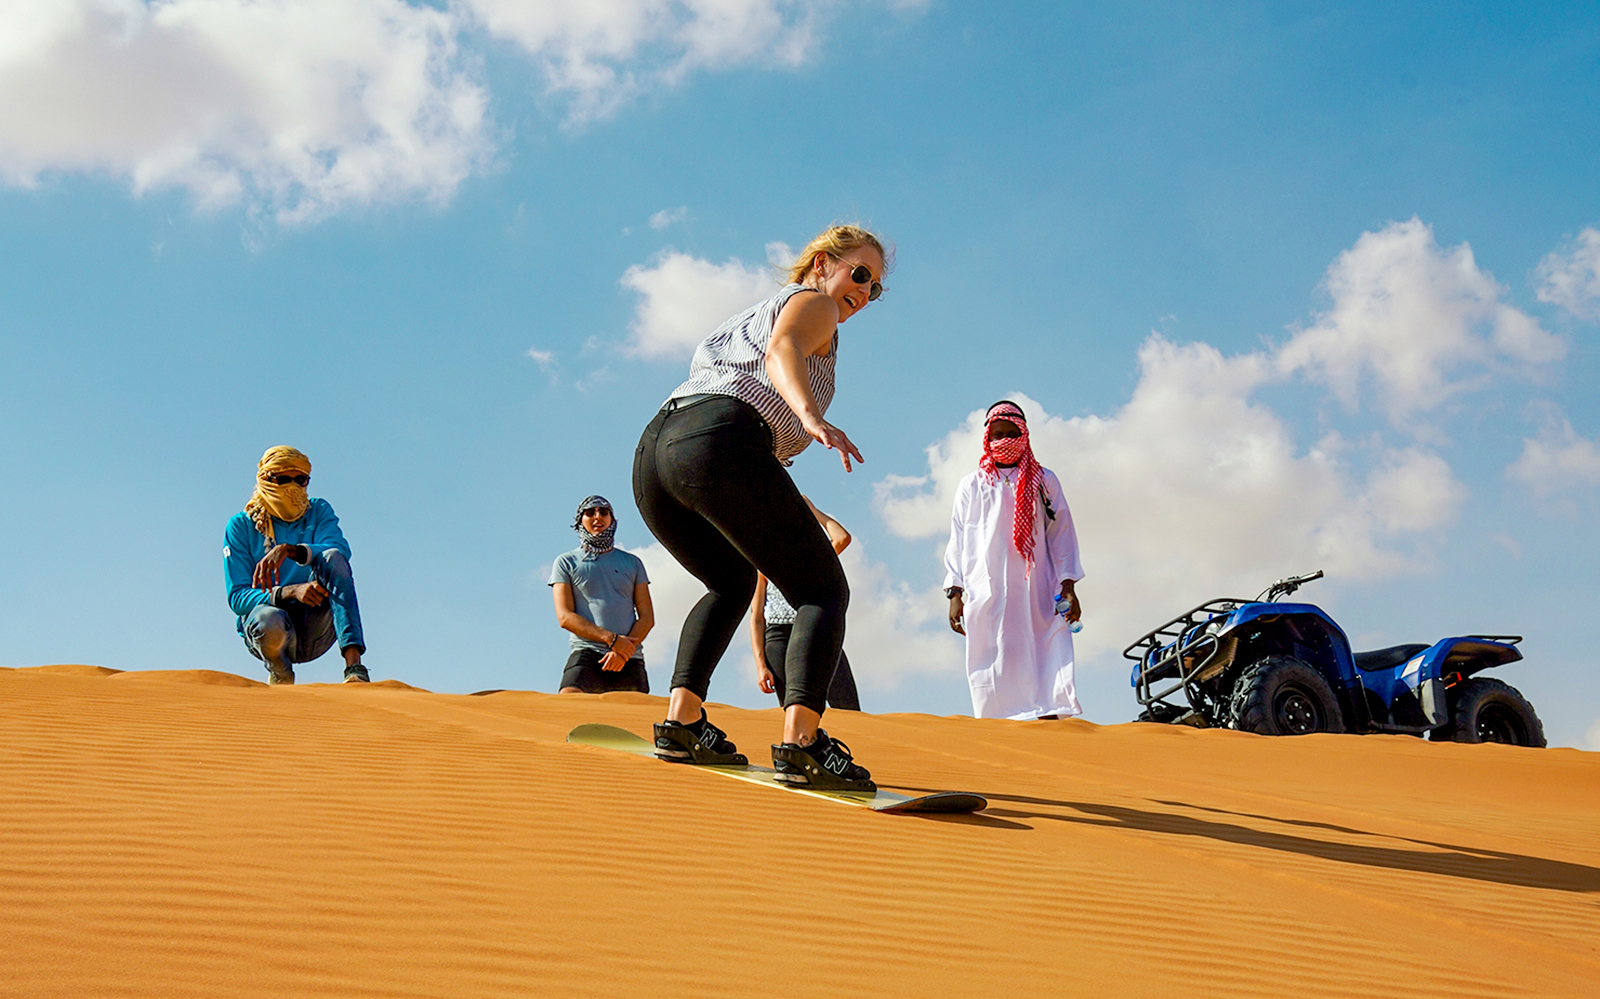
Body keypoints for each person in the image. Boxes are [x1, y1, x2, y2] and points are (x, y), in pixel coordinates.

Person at [633, 223, 889, 791]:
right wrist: (809, 413)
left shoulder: (751, 313)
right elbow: (783, 351)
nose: (864, 293)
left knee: (729, 581)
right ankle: (803, 745)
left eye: (876, 289)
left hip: (657, 453)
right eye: (860, 273)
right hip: (719, 437)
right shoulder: (812, 303)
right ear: (823, 262)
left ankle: (682, 723)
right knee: (822, 590)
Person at [944, 401, 1084, 720]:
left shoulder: (1044, 480)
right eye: (997, 435)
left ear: (1025, 434)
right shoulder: (972, 484)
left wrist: (1068, 583)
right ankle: (996, 719)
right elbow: (958, 538)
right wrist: (955, 591)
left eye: (1011, 433)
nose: (1004, 440)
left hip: (1038, 584)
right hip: (986, 585)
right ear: (987, 438)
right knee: (991, 651)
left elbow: (1061, 533)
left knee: (1047, 643)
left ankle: (1050, 711)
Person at [224, 446, 369, 685]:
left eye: (300, 480)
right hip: (270, 629)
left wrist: (291, 550)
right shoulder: (241, 526)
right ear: (267, 480)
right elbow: (237, 597)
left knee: (333, 557)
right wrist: (291, 591)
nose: (293, 487)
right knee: (268, 619)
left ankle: (355, 667)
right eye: (283, 480)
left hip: (315, 625)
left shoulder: (318, 511)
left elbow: (341, 550)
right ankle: (281, 677)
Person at [749, 497, 861, 711]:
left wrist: (813, 510)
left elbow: (842, 538)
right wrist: (760, 665)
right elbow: (756, 618)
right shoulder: (763, 561)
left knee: (848, 709)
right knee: (793, 711)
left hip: (819, 631)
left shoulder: (813, 558)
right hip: (779, 639)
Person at [548, 495, 655, 695]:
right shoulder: (565, 562)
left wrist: (622, 651)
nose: (598, 516)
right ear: (580, 520)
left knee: (633, 720)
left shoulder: (633, 563)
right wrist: (612, 639)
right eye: (590, 512)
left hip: (629, 658)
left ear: (612, 520)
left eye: (604, 512)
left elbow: (647, 617)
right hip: (586, 653)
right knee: (569, 704)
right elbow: (565, 617)